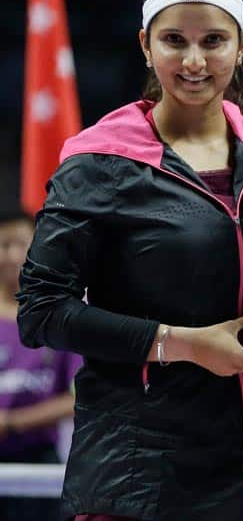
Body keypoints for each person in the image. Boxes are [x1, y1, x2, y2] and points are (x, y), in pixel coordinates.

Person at [17, 0, 243, 520]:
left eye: (213, 41)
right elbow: (42, 311)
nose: (194, 61)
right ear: (146, 45)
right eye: (175, 41)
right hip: (138, 481)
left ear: (242, 45)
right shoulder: (98, 162)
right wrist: (183, 344)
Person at [0, 210, 81, 520]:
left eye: (19, 244)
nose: (10, 255)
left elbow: (77, 398)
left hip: (39, 461)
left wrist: (11, 422)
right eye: (3, 245)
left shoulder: (56, 317)